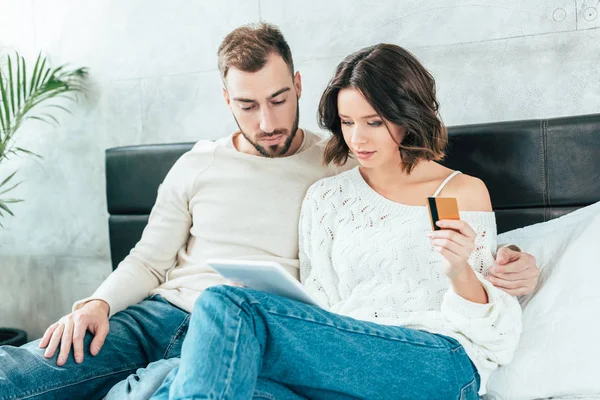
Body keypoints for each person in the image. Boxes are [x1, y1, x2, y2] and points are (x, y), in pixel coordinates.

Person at [0, 24, 536, 400]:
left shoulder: (375, 172)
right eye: (349, 125)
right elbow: (149, 259)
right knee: (25, 373)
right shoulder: (322, 187)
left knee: (224, 312)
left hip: (391, 348)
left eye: (279, 100)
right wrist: (98, 302)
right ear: (227, 99)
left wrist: (509, 263)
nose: (267, 121)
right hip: (190, 320)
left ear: (298, 86)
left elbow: (485, 291)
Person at [150, 43, 523, 400]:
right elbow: (321, 304)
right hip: (343, 366)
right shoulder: (326, 197)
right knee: (220, 381)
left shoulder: (460, 192)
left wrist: (460, 270)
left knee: (225, 303)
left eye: (374, 122)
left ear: (408, 116)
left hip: (437, 363)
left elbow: (483, 322)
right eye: (347, 122)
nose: (357, 138)